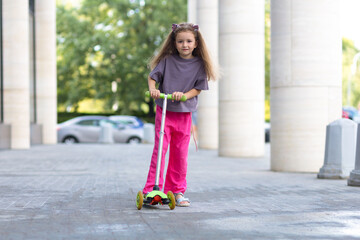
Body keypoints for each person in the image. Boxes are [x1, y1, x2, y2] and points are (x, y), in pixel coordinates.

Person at [143, 23, 217, 207]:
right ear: (174, 43)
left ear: (196, 43)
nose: (185, 44)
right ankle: (152, 189)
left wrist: (184, 95)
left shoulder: (199, 64)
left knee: (180, 154)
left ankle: (176, 191)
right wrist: (153, 89)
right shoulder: (167, 60)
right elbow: (153, 77)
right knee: (160, 151)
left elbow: (198, 88)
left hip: (184, 114)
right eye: (180, 41)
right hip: (165, 111)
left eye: (189, 41)